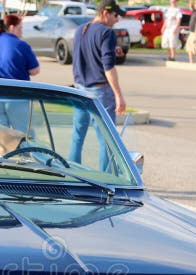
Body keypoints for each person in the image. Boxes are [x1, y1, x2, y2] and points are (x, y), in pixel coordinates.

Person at [68, 0, 126, 171]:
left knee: (77, 136)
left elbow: (85, 54)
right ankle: (106, 179)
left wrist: (110, 50)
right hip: (99, 91)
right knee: (107, 140)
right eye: (115, 15)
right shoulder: (107, 32)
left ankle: (72, 174)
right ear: (105, 13)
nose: (117, 19)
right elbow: (108, 67)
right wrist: (118, 95)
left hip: (80, 89)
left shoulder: (81, 30)